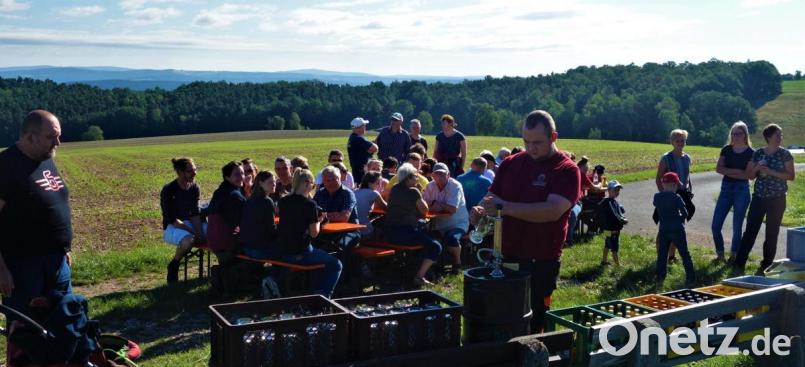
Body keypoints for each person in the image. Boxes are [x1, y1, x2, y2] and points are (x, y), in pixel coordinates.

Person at [472, 110, 581, 333]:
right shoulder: (512, 164)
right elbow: (491, 198)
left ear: (553, 137)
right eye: (526, 141)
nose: (531, 148)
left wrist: (505, 207)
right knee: (501, 319)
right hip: (505, 256)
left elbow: (552, 211)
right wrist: (481, 211)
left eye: (538, 142)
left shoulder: (566, 170)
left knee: (533, 320)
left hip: (540, 261)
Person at [0, 110, 74, 324]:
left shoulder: (45, 159)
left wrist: (63, 249)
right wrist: (1, 268)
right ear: (30, 137)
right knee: (27, 332)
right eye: (52, 137)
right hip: (22, 267)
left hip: (56, 261)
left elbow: (55, 203)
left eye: (58, 136)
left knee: (64, 325)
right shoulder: (6, 166)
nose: (58, 143)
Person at [734, 124, 795, 273]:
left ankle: (766, 264)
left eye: (781, 135)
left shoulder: (785, 154)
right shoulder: (758, 153)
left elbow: (791, 176)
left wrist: (771, 171)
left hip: (777, 199)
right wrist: (757, 168)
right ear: (769, 137)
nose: (780, 138)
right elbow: (749, 175)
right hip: (759, 197)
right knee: (750, 230)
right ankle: (739, 262)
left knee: (772, 232)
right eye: (777, 135)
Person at [278, 168, 342, 297]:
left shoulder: (283, 201)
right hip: (301, 251)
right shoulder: (309, 204)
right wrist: (319, 220)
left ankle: (315, 290)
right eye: (312, 184)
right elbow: (314, 234)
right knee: (336, 264)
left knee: (320, 256)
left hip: (283, 250)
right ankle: (324, 295)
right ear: (308, 183)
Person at [385, 163, 443, 286]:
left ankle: (412, 269)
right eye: (416, 176)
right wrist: (420, 192)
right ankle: (419, 276)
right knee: (435, 246)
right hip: (405, 232)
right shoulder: (413, 191)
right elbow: (425, 210)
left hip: (390, 232)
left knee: (423, 231)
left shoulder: (394, 188)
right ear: (408, 178)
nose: (417, 179)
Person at [711, 121, 754, 263]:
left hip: (742, 190)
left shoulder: (751, 153)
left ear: (745, 135)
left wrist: (729, 172)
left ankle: (734, 255)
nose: (735, 136)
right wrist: (737, 171)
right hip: (726, 189)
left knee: (737, 226)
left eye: (738, 133)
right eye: (733, 133)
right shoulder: (726, 150)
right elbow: (719, 169)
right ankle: (720, 254)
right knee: (715, 225)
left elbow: (749, 175)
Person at [161, 157, 207, 283]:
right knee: (188, 240)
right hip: (173, 226)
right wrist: (193, 232)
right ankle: (174, 264)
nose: (195, 173)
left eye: (195, 169)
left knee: (215, 233)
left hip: (191, 223)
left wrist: (200, 232)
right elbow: (173, 219)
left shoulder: (194, 187)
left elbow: (195, 213)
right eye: (190, 171)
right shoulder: (168, 190)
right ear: (180, 172)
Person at [654, 129, 694, 262]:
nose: (680, 143)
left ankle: (671, 256)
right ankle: (661, 256)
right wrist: (664, 196)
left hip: (682, 196)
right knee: (664, 228)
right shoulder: (666, 158)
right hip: (669, 196)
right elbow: (658, 178)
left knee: (678, 227)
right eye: (677, 140)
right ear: (672, 142)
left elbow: (687, 178)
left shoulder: (687, 158)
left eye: (683, 140)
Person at [423, 163, 469, 273]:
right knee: (424, 237)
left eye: (443, 174)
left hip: (457, 223)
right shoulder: (430, 186)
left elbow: (453, 209)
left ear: (448, 175)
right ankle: (434, 264)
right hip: (437, 224)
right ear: (432, 175)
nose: (440, 177)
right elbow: (424, 205)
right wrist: (435, 205)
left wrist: (437, 204)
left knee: (452, 238)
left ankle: (457, 263)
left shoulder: (455, 186)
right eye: (437, 174)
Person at [654, 172, 695, 287]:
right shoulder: (677, 198)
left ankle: (660, 277)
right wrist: (679, 219)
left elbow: (656, 205)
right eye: (677, 185)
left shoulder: (657, 197)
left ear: (663, 183)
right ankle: (691, 277)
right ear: (674, 185)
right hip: (677, 229)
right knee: (684, 253)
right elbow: (685, 213)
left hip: (663, 230)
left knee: (662, 254)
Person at [313, 166, 361, 252]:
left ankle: (343, 265)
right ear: (323, 181)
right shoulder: (320, 193)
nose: (332, 183)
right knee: (309, 241)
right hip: (326, 231)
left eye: (335, 179)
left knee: (340, 246)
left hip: (349, 231)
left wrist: (322, 216)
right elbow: (312, 213)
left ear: (340, 179)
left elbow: (344, 217)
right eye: (328, 180)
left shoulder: (347, 193)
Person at [206, 161, 247, 262]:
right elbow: (247, 222)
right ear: (227, 177)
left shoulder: (219, 191)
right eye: (237, 174)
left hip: (213, 242)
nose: (242, 177)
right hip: (227, 244)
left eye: (242, 173)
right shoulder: (235, 196)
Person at [240, 171, 279, 260]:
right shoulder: (267, 201)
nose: (274, 184)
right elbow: (272, 229)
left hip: (247, 248)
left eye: (274, 181)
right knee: (288, 251)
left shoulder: (250, 199)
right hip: (259, 251)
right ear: (261, 183)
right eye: (270, 182)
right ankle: (275, 274)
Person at [599, 180, 628, 266]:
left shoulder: (610, 201)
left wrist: (620, 209)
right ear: (608, 190)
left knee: (607, 245)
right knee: (615, 247)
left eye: (618, 190)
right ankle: (618, 265)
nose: (617, 192)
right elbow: (614, 215)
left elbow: (616, 211)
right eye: (615, 190)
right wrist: (623, 221)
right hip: (613, 230)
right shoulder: (609, 202)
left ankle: (604, 261)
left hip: (607, 229)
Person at [354, 172, 387, 238]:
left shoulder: (354, 191)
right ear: (369, 183)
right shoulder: (374, 193)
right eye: (378, 183)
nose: (379, 185)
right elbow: (386, 207)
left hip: (353, 230)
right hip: (365, 231)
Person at [347, 117, 378, 184]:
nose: (365, 127)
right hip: (362, 171)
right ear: (359, 127)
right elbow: (375, 148)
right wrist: (371, 147)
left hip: (357, 170)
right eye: (364, 125)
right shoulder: (359, 139)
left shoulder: (353, 137)